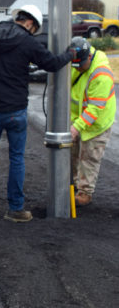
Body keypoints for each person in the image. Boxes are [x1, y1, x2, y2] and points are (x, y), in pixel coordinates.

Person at [0, 4, 74, 223]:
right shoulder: (27, 41)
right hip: (16, 112)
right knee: (16, 159)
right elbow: (51, 64)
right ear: (30, 23)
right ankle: (15, 210)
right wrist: (69, 54)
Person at [68, 36, 116, 206]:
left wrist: (75, 128)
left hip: (97, 124)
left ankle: (84, 193)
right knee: (72, 155)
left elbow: (94, 109)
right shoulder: (77, 63)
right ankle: (73, 187)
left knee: (88, 158)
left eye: (80, 65)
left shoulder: (101, 75)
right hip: (77, 119)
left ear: (88, 57)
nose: (78, 69)